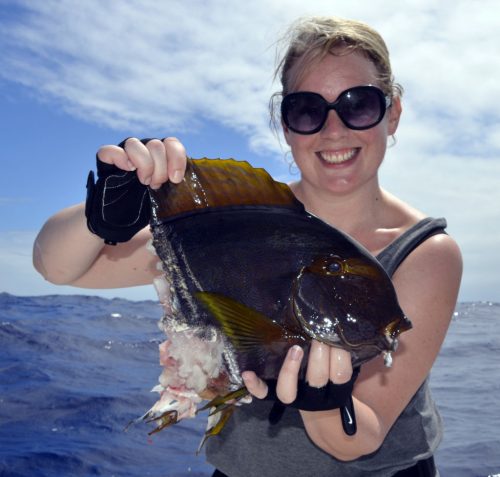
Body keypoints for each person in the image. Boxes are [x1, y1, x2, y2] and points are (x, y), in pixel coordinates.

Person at [33, 15, 462, 477]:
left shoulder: (427, 252)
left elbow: (366, 433)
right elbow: (56, 266)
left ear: (392, 112)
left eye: (359, 105)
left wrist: (320, 405)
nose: (333, 130)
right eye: (307, 110)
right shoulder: (238, 227)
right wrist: (102, 215)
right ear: (285, 123)